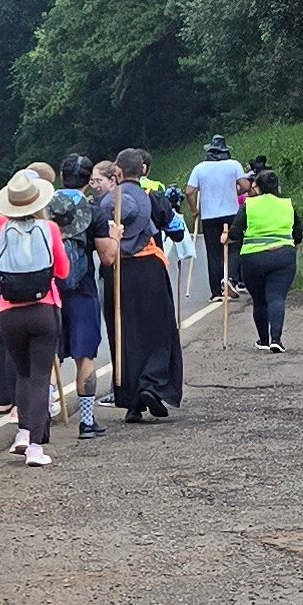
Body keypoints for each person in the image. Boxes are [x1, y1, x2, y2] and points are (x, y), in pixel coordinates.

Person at [0, 165, 70, 465]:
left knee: (21, 374)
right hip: (44, 309)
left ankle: (23, 432)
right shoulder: (49, 229)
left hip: (9, 313)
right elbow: (62, 270)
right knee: (39, 376)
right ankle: (36, 446)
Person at [103, 148, 185, 424]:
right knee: (158, 330)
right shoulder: (153, 196)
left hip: (116, 269)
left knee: (124, 333)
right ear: (144, 171)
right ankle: (151, 384)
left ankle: (132, 403)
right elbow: (177, 230)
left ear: (117, 172)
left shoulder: (105, 201)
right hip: (149, 268)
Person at [53, 155, 107, 438]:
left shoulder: (43, 208)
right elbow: (108, 257)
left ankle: (42, 415)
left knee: (50, 354)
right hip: (82, 291)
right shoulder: (93, 212)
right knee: (85, 355)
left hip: (49, 291)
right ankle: (86, 421)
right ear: (88, 180)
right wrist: (116, 236)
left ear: (62, 176)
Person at [235, 163, 302, 350]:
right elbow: (298, 234)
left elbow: (235, 232)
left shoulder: (249, 205)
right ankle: (276, 339)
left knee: (259, 300)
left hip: (253, 259)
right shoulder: (287, 205)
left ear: (257, 187)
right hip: (283, 257)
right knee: (276, 297)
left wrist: (226, 237)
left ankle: (263, 340)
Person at [185, 134, 249, 300]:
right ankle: (230, 280)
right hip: (231, 214)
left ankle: (216, 291)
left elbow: (189, 191)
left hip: (209, 216)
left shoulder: (200, 168)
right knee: (233, 248)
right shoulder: (234, 165)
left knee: (213, 253)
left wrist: (193, 210)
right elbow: (245, 186)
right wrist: (235, 193)